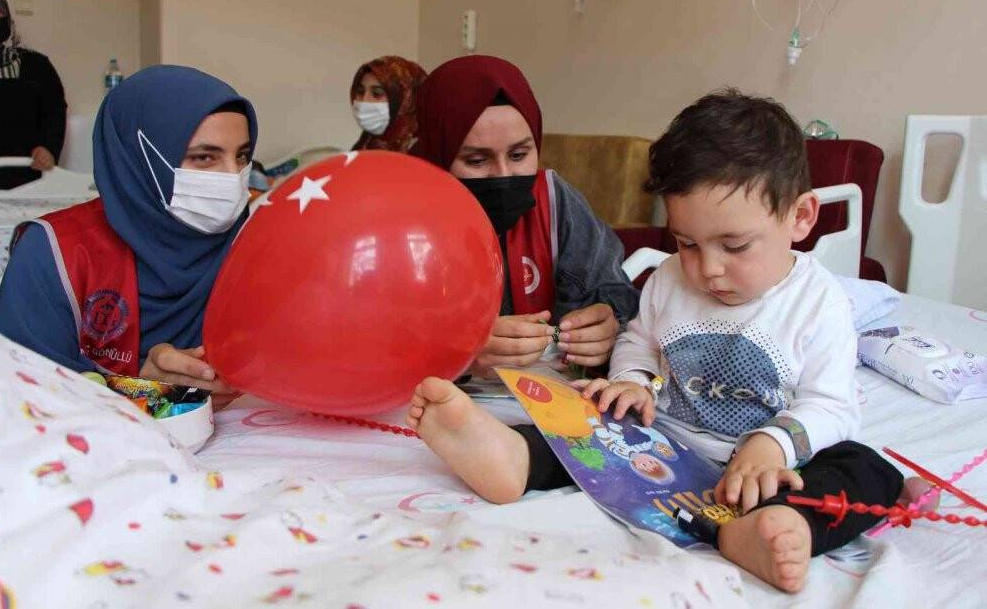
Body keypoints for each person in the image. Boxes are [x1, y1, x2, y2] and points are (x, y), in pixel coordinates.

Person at [406, 89, 918, 593]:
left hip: (766, 470)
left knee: (868, 471)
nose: (707, 268)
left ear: (800, 217)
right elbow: (640, 341)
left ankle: (771, 528)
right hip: (662, 444)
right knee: (586, 417)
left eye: (734, 245)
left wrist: (773, 444)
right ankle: (514, 458)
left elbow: (831, 403)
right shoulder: (671, 278)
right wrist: (633, 382)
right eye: (686, 243)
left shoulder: (818, 300)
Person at [0, 65, 255, 408]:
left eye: (243, 156)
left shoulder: (250, 242)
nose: (234, 178)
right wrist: (146, 393)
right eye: (204, 157)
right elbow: (15, 392)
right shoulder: (56, 251)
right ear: (140, 158)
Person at [411, 55, 638, 376]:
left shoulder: (553, 199)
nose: (503, 174)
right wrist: (453, 351)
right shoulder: (404, 215)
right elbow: (371, 332)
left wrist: (609, 322)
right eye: (476, 160)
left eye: (519, 155)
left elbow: (610, 289)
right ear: (439, 154)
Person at [0, 0, 67, 187]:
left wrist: (48, 148)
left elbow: (54, 111)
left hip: (28, 182)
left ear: (7, 18)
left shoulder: (36, 65)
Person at [350, 55, 426, 152]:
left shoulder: (422, 150)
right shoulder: (366, 142)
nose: (364, 100)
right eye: (360, 91)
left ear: (404, 98)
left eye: (377, 93)